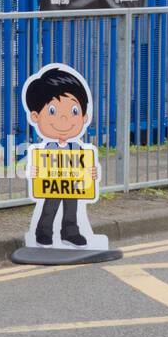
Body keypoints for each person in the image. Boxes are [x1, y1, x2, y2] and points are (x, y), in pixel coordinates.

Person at [22, 64, 105, 249]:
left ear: (84, 116)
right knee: (49, 206)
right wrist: (34, 172)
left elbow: (86, 165)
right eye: (52, 111)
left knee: (72, 207)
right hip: (52, 182)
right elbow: (37, 167)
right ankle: (43, 233)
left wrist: (92, 173)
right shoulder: (46, 149)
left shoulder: (78, 148)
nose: (64, 120)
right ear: (35, 116)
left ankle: (70, 232)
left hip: (73, 182)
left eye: (74, 111)